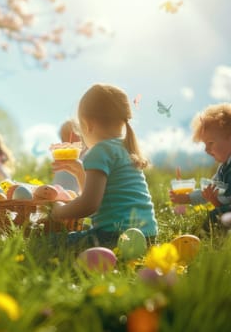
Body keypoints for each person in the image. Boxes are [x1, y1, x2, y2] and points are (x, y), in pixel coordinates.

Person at [49, 84, 158, 248]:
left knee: (49, 242)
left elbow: (89, 205)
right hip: (148, 237)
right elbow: (100, 196)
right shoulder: (125, 148)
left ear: (87, 124)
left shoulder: (99, 151)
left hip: (114, 236)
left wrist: (58, 212)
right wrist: (80, 172)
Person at [170, 103, 231, 231]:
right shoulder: (223, 168)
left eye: (210, 143)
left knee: (217, 215)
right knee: (212, 217)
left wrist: (216, 202)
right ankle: (209, 238)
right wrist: (186, 198)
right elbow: (207, 192)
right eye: (205, 144)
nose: (206, 149)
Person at [51, 119, 84, 193]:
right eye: (63, 136)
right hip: (57, 195)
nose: (67, 140)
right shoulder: (62, 157)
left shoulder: (87, 156)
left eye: (70, 134)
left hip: (75, 197)